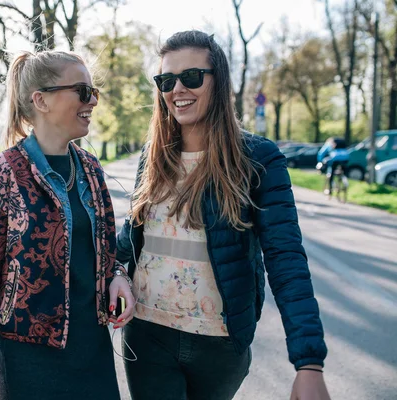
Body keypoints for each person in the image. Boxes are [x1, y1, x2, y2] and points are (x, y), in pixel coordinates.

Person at [116, 30, 330, 400]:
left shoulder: (257, 159)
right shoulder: (153, 155)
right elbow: (133, 235)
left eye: (192, 77)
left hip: (219, 346)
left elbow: (286, 259)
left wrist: (308, 363)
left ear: (219, 80)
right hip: (148, 338)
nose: (178, 89)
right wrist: (118, 270)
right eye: (167, 80)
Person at [0, 50, 135, 400]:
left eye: (94, 91)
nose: (94, 100)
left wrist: (118, 276)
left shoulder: (91, 169)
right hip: (29, 366)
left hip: (94, 356)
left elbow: (104, 250)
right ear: (41, 100)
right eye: (83, 91)